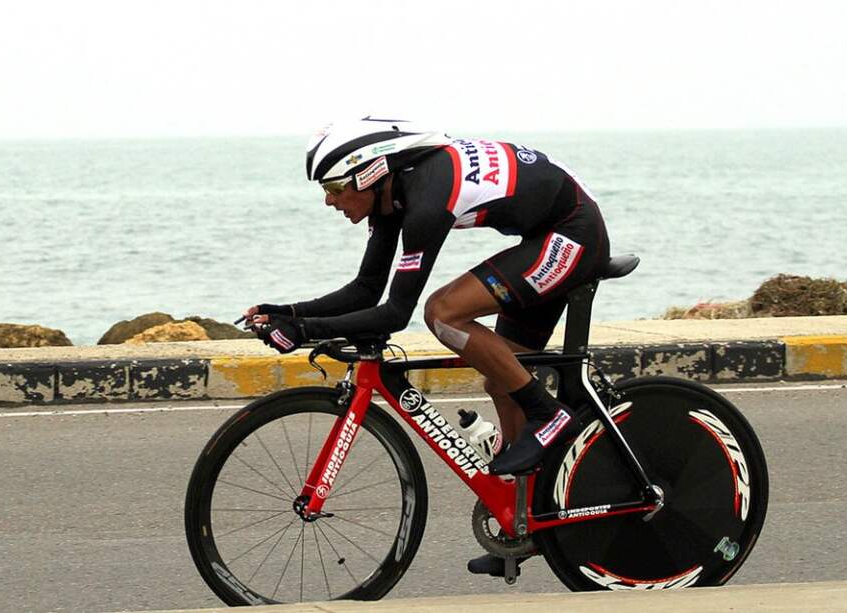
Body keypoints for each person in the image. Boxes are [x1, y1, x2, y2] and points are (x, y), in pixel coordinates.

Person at [244, 116, 610, 576]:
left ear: (369, 172)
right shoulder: (393, 198)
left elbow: (397, 313)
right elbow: (365, 290)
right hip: (543, 234)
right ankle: (527, 524)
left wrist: (303, 333)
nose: (329, 199)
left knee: (443, 312)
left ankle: (549, 415)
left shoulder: (428, 200)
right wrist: (290, 314)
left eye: (336, 186)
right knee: (503, 375)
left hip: (573, 234)